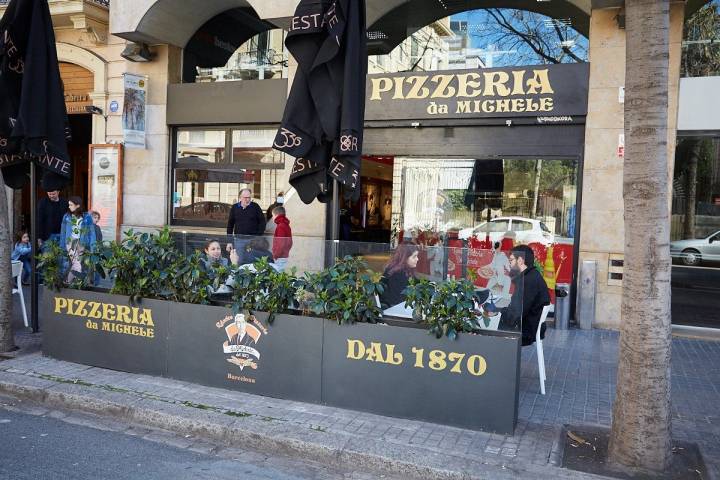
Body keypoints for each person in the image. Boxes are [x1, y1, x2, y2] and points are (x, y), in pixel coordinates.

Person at [497, 245, 550, 346]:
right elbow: (518, 307)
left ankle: (499, 359)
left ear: (520, 260)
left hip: (527, 330)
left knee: (488, 330)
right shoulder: (532, 275)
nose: (510, 264)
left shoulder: (528, 281)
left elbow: (516, 314)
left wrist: (497, 312)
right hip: (530, 324)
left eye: (511, 260)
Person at [59, 196, 97, 282]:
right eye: (69, 205)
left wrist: (93, 247)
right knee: (77, 264)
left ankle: (68, 283)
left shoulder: (86, 217)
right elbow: (63, 232)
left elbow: (92, 233)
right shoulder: (67, 216)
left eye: (71, 205)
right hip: (71, 242)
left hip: (82, 242)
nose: (69, 206)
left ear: (78, 205)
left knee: (77, 264)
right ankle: (75, 283)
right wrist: (62, 246)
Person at [379, 242, 420, 308]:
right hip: (394, 311)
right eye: (414, 256)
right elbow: (398, 302)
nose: (417, 259)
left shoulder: (396, 269)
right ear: (405, 258)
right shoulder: (399, 274)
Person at [226, 188, 266, 253]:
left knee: (251, 260)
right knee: (239, 260)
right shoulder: (235, 207)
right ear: (240, 198)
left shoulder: (255, 207)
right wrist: (229, 241)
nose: (247, 200)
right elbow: (230, 225)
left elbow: (262, 222)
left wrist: (257, 237)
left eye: (249, 198)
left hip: (252, 240)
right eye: (245, 198)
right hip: (239, 240)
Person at [271, 206, 292, 272]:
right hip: (284, 255)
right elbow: (289, 242)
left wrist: (275, 255)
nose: (272, 218)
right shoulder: (286, 225)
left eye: (273, 215)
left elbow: (281, 244)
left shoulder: (280, 226)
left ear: (276, 215)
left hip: (280, 256)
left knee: (278, 275)